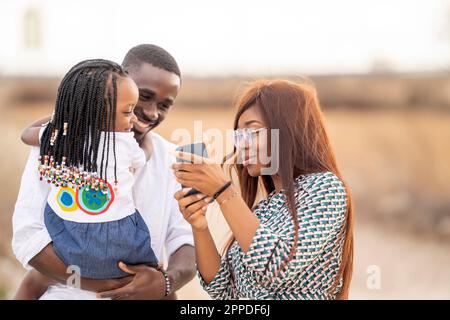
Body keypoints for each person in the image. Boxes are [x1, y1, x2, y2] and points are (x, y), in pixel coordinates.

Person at [12, 44, 196, 300]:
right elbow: (28, 237)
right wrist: (102, 284)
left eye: (164, 105)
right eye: (143, 96)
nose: (152, 113)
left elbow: (186, 241)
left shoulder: (172, 160)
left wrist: (165, 283)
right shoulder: (61, 145)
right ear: (112, 91)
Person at [172, 79, 354, 299]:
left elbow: (278, 266)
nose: (242, 144)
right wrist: (200, 226)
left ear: (288, 130)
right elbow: (223, 291)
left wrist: (224, 191)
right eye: (238, 136)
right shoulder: (263, 209)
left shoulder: (326, 188)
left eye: (253, 132)